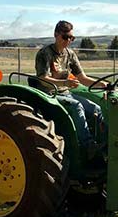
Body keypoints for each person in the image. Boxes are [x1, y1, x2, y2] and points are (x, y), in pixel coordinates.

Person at [35, 20, 106, 154]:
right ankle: (88, 146)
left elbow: (83, 78)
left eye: (71, 38)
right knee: (77, 106)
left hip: (65, 93)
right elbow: (43, 79)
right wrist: (65, 83)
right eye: (65, 37)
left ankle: (103, 144)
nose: (68, 41)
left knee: (96, 107)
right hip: (48, 94)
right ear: (56, 35)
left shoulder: (70, 54)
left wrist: (103, 84)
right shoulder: (45, 53)